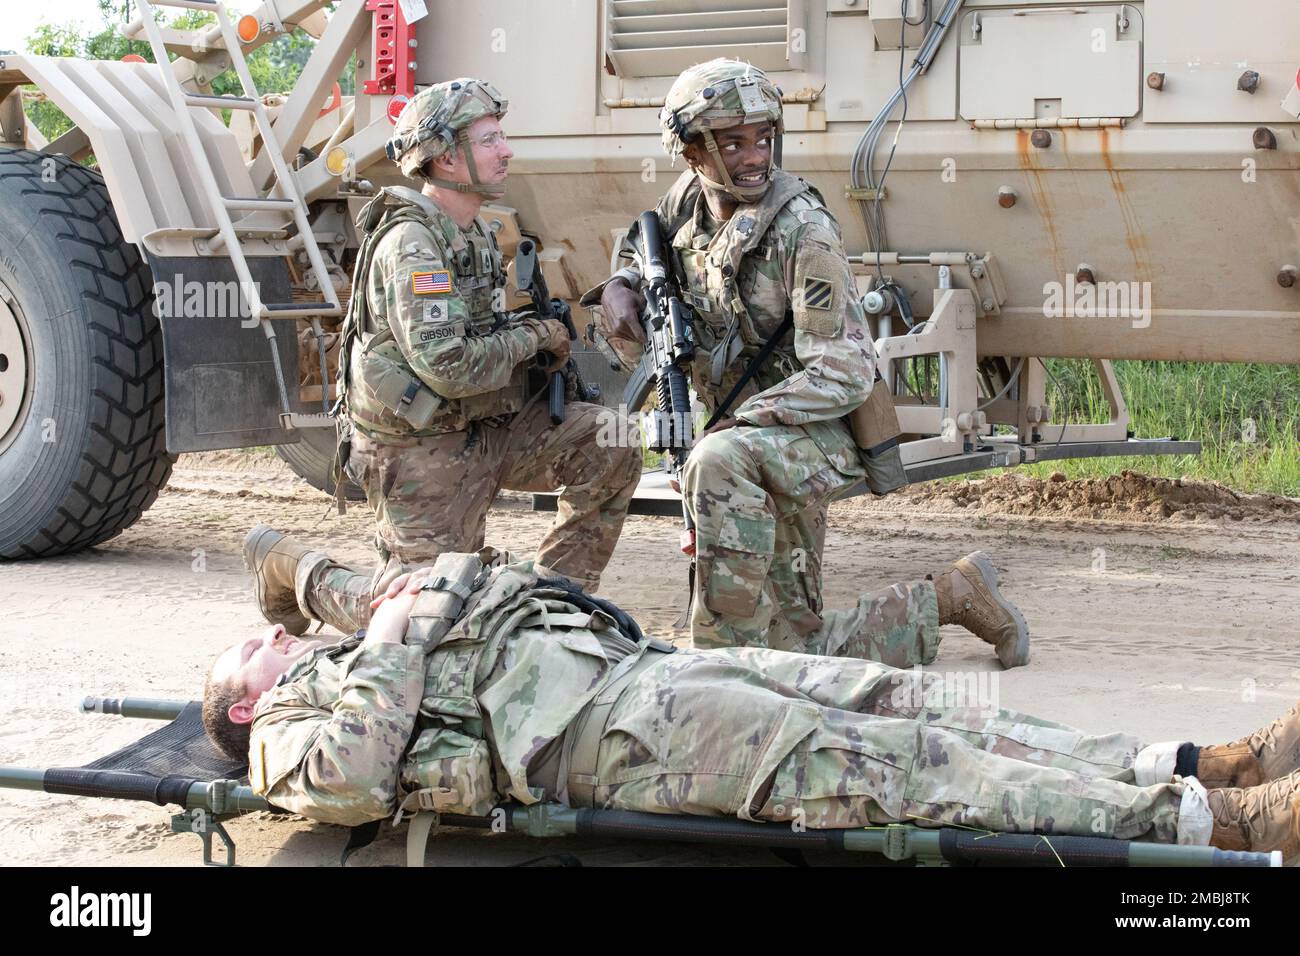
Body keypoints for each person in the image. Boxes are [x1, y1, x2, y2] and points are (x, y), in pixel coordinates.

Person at [203, 550, 1300, 861]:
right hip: (617, 739)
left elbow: (432, 570)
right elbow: (347, 785)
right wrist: (394, 642)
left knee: (911, 697)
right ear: (247, 707)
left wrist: (413, 593)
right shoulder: (294, 731)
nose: (275, 636)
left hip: (645, 672)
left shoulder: (341, 640)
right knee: (898, 767)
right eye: (252, 650)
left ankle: (1196, 758)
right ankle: (1220, 827)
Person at [582, 59, 1030, 669]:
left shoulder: (802, 229)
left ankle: (716, 673)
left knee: (715, 466)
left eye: (764, 138)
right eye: (733, 143)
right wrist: (619, 285)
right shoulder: (686, 205)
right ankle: (952, 598)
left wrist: (743, 425)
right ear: (692, 153)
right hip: (745, 439)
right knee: (794, 647)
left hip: (818, 430)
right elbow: (649, 252)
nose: (754, 156)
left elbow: (845, 369)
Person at [246, 78, 641, 637]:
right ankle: (297, 572)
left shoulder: (474, 232)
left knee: (611, 437)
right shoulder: (412, 244)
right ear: (448, 159)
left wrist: (532, 345)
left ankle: (549, 607)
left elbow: (479, 339)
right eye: (489, 141)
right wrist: (538, 338)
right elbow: (450, 366)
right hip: (419, 453)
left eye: (501, 138)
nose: (506, 151)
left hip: (486, 429)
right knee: (422, 623)